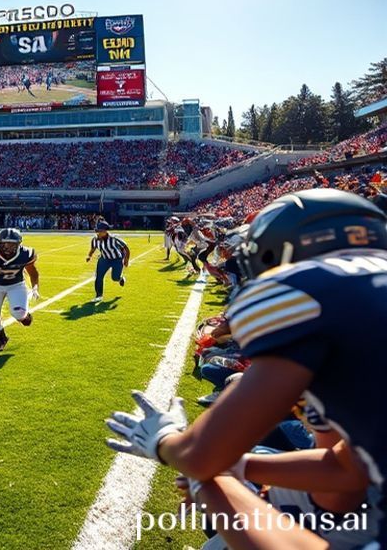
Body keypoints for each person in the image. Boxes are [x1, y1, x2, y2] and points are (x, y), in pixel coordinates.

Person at [104, 189, 387, 548]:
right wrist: (241, 466)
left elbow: (200, 457)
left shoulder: (315, 292)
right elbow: (348, 467)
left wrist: (172, 447)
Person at [86, 221, 129, 303]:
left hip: (116, 259)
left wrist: (126, 259)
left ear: (105, 231)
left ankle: (120, 279)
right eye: (97, 231)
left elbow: (126, 248)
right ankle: (99, 295)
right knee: (99, 276)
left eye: (100, 231)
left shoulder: (114, 239)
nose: (98, 233)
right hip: (104, 259)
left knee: (114, 278)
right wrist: (89, 256)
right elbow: (93, 249)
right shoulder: (95, 240)